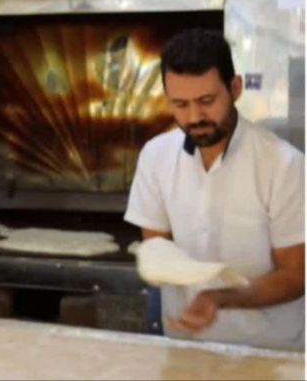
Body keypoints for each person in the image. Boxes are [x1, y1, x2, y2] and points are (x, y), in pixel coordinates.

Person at [124, 28, 304, 350]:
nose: (195, 117)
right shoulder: (155, 156)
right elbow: (158, 251)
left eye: (207, 101)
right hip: (184, 345)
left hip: (267, 352)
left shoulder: (284, 165)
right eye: (180, 104)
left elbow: (295, 276)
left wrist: (220, 298)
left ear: (235, 88)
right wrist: (152, 260)